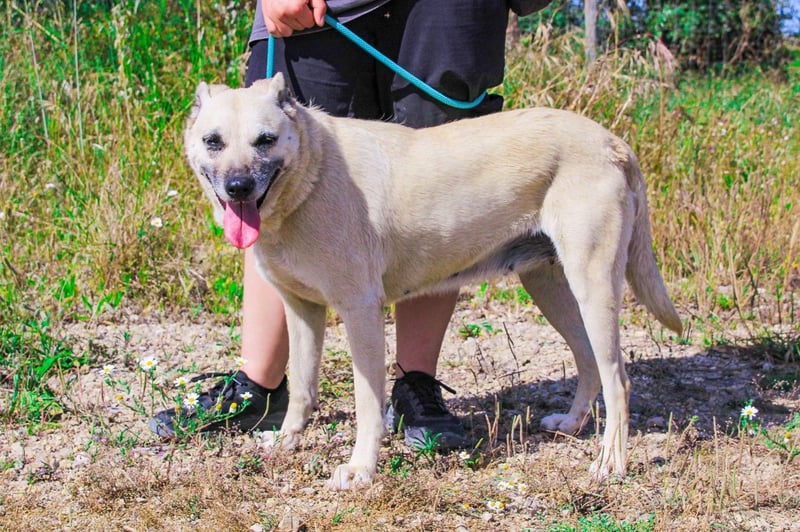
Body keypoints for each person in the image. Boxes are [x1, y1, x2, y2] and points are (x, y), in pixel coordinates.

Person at [150, 0, 547, 449]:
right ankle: (259, 385)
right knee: (274, 171)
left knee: (433, 182)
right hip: (317, 9)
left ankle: (416, 385)